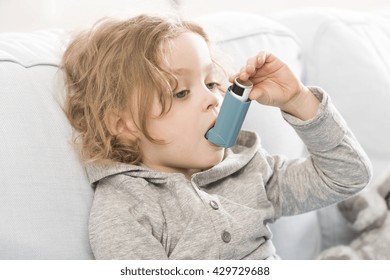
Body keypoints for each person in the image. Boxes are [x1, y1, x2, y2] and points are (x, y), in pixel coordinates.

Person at [61, 14, 372, 259]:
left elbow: (348, 176)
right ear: (123, 125)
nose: (212, 99)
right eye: (181, 92)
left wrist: (299, 101)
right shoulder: (126, 208)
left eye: (211, 84)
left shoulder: (250, 171)